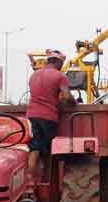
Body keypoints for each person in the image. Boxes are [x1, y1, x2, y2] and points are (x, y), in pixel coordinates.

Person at [26, 49, 74, 182]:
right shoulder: (60, 76)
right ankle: (45, 182)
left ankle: (30, 178)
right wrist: (73, 101)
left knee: (35, 147)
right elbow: (66, 97)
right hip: (48, 117)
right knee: (47, 152)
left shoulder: (34, 75)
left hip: (31, 115)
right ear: (58, 62)